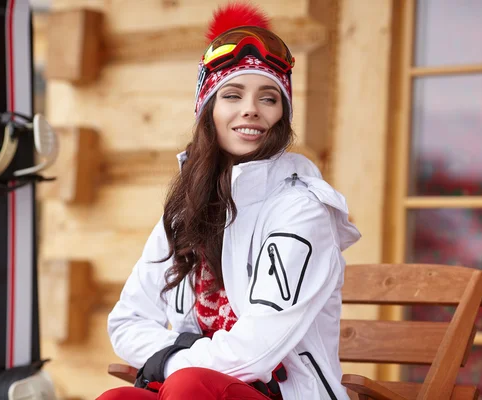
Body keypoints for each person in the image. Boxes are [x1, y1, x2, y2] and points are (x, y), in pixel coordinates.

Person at [97, 2, 361, 399]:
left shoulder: (301, 210)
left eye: (269, 99)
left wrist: (171, 360)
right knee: (118, 398)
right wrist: (179, 358)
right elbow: (127, 321)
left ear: (282, 115)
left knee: (189, 385)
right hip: (197, 388)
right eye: (232, 95)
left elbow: (256, 353)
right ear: (209, 110)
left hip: (280, 393)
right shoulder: (188, 208)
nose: (250, 110)